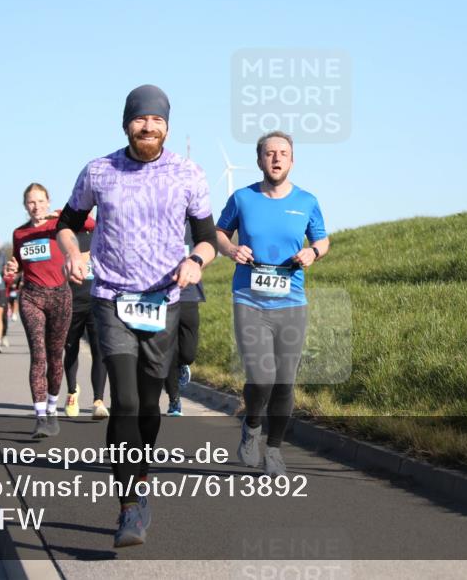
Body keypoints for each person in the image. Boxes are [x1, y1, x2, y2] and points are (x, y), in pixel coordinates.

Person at [56, 84, 216, 547]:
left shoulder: (189, 174)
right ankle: (128, 507)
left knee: (148, 406)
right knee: (124, 402)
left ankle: (139, 479)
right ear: (126, 122)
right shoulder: (99, 170)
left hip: (163, 300)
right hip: (111, 295)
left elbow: (205, 236)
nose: (149, 127)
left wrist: (196, 261)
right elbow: (67, 223)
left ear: (167, 126)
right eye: (141, 119)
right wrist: (72, 254)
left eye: (157, 121)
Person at [216, 131, 330, 478]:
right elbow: (218, 233)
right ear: (259, 160)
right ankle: (252, 425)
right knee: (262, 377)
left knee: (284, 382)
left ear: (292, 160)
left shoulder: (307, 201)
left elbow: (322, 240)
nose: (276, 158)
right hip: (249, 298)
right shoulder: (242, 198)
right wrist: (232, 249)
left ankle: (275, 450)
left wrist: (312, 252)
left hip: (292, 302)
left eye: (283, 153)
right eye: (269, 153)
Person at [5, 183, 73, 438]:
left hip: (60, 296)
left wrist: (62, 215)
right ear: (25, 206)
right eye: (31, 202)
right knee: (38, 355)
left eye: (40, 201)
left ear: (48, 201)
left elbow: (91, 225)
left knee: (56, 357)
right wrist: (13, 268)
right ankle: (40, 417)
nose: (36, 207)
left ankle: (53, 408)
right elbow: (20, 263)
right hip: (32, 296)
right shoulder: (19, 234)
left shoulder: (58, 226)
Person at [61, 212, 108, 419]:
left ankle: (98, 400)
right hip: (72, 302)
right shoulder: (65, 238)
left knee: (100, 351)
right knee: (71, 350)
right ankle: (72, 392)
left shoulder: (102, 233)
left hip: (97, 301)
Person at [164, 221, 205, 417]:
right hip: (161, 295)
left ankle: (183, 364)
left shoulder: (194, 226)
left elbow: (208, 248)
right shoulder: (155, 221)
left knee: (188, 353)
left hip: (189, 294)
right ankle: (174, 401)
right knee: (167, 351)